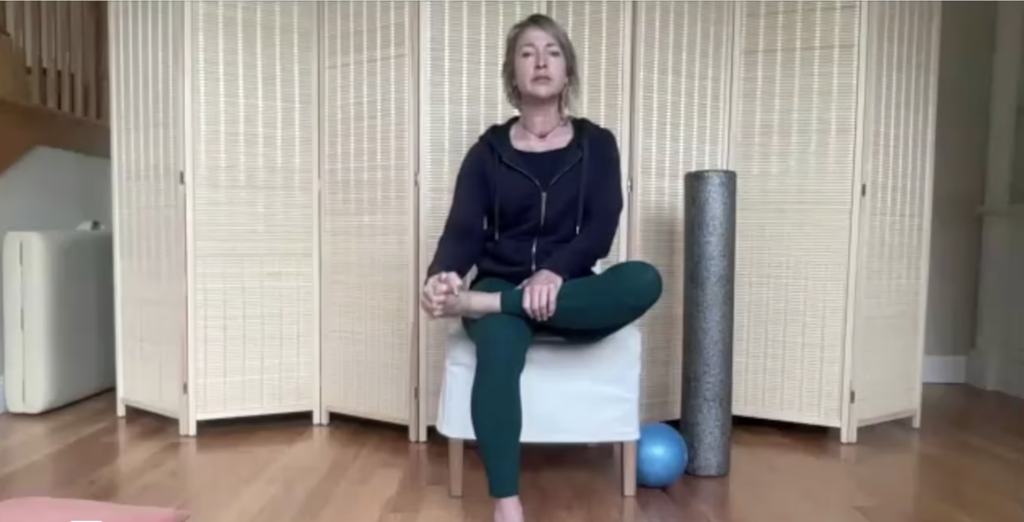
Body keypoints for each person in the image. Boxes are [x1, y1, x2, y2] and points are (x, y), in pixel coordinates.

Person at [420, 13, 663, 522]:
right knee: (501, 342)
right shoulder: (487, 152)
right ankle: (506, 503)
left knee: (644, 278)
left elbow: (601, 227)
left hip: (566, 289)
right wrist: (442, 276)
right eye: (528, 52)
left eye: (552, 51)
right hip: (500, 278)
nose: (540, 61)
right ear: (513, 74)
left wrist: (554, 272)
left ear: (567, 72)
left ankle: (487, 305)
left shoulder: (597, 145)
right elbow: (463, 229)